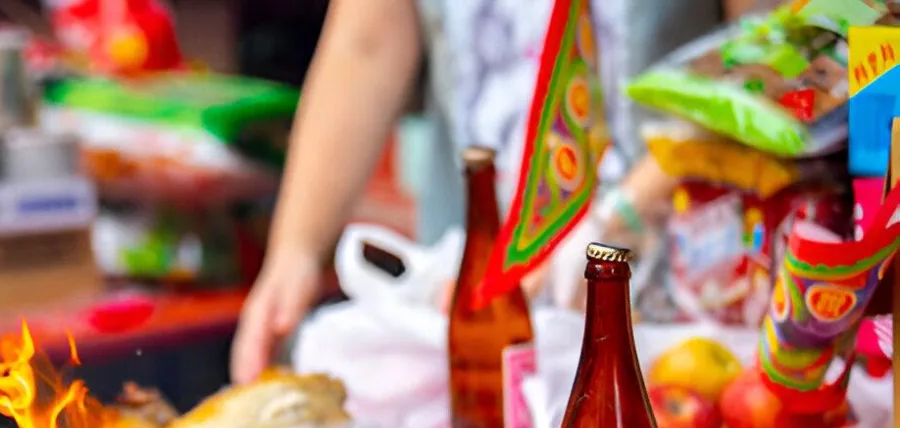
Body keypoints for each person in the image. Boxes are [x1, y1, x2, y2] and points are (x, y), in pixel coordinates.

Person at [230, 0, 721, 384]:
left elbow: (757, 49)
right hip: (475, 281)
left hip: (684, 290)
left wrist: (616, 217)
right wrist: (295, 250)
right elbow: (367, 43)